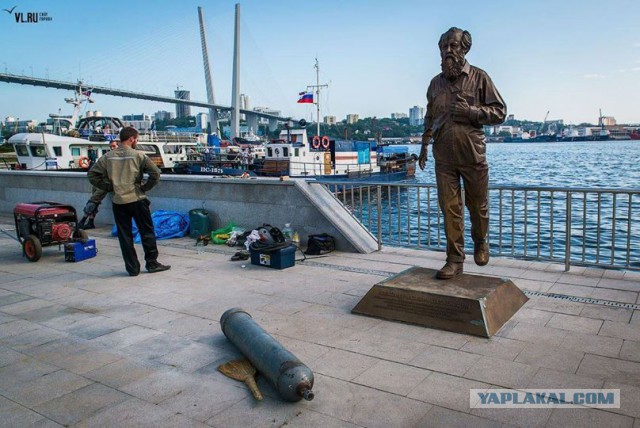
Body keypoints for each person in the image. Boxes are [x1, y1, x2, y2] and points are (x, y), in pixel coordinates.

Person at [418, 27, 507, 279]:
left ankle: (480, 241)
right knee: (450, 208)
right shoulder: (434, 84)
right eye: (444, 47)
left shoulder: (480, 78)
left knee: (478, 206)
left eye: (453, 46)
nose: (448, 51)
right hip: (443, 157)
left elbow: (500, 112)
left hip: (472, 155)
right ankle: (454, 259)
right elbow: (429, 117)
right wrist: (424, 146)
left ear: (464, 49)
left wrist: (473, 112)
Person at [88, 127, 170, 276]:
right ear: (132, 139)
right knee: (147, 232)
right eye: (136, 139)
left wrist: (108, 187)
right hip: (137, 199)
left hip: (119, 201)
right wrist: (144, 188)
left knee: (124, 235)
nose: (136, 142)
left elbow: (92, 175)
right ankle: (152, 263)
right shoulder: (139, 155)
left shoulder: (108, 157)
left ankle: (132, 268)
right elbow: (156, 174)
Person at [79, 140, 119, 230]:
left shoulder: (114, 157)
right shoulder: (108, 157)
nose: (112, 148)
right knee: (94, 201)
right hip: (100, 181)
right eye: (111, 146)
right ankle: (90, 221)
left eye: (114, 146)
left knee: (93, 200)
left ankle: (84, 220)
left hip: (105, 183)